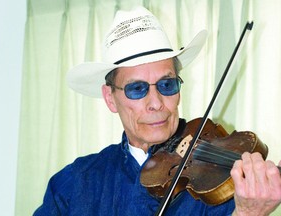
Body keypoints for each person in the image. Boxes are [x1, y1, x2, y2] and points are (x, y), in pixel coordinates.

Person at [34, 6, 281, 216]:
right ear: (110, 98)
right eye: (137, 89)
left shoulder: (223, 188)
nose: (156, 103)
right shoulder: (73, 184)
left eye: (167, 84)